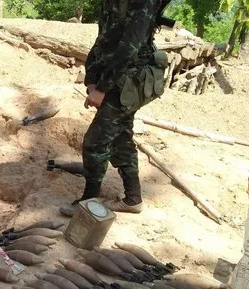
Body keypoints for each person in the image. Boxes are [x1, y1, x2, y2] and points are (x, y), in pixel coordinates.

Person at [60, 0, 169, 216]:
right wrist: (91, 76)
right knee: (121, 139)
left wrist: (102, 88)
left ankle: (89, 203)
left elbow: (130, 46)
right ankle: (133, 199)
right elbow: (103, 38)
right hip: (117, 77)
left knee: (95, 143)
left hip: (130, 80)